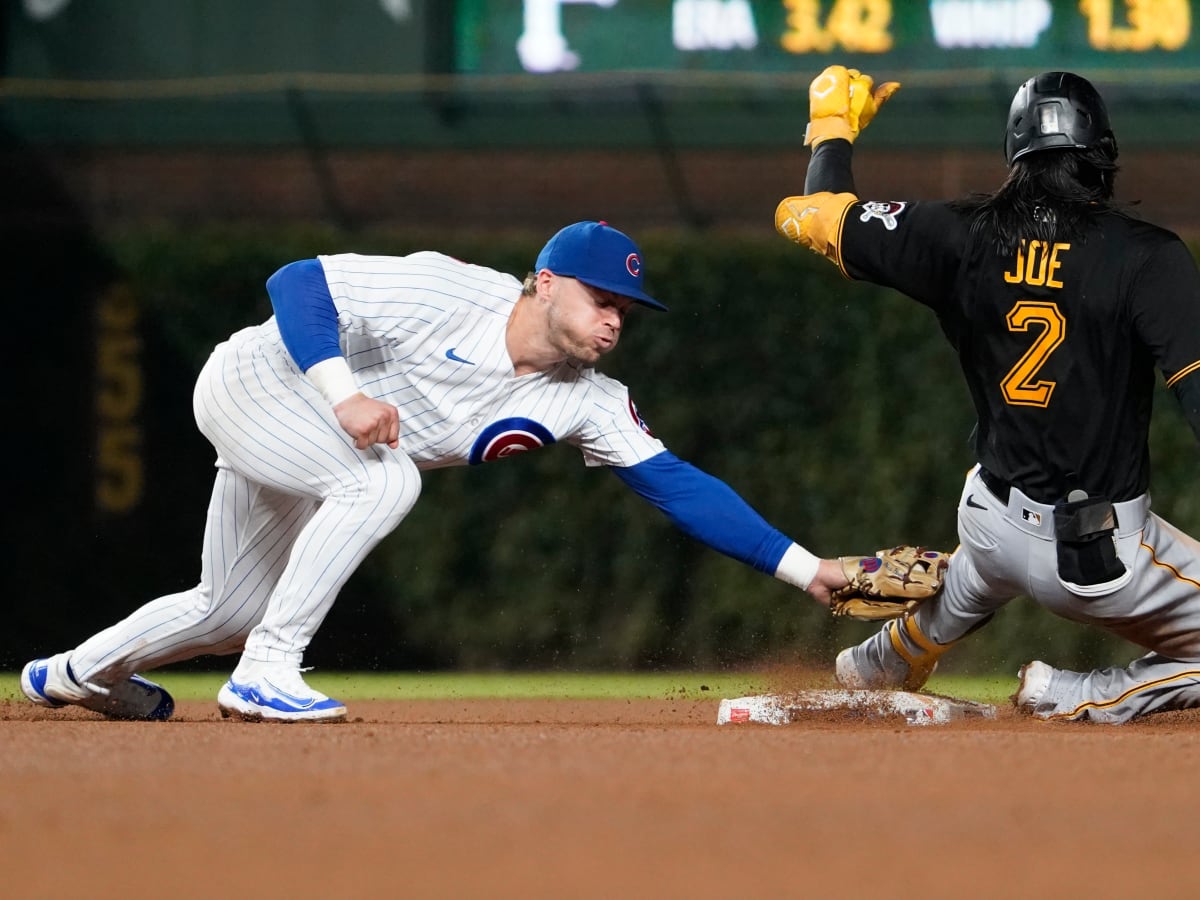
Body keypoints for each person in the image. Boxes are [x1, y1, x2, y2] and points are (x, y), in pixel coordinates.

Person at [22, 220, 850, 723]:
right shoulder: (450, 293)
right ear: (546, 282)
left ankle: (73, 675)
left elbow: (678, 484)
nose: (613, 321)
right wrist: (344, 395)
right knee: (384, 480)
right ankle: (268, 675)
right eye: (600, 300)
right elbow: (297, 282)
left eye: (624, 312)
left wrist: (810, 571)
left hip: (316, 437)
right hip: (257, 383)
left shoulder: (589, 400)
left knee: (225, 606)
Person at [775, 66, 1200, 723]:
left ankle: (886, 657)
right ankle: (1078, 694)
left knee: (981, 566)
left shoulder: (960, 234)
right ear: (1104, 156)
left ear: (1015, 157)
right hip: (1096, 560)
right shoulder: (1149, 257)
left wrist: (831, 128)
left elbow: (809, 217)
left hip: (989, 519)